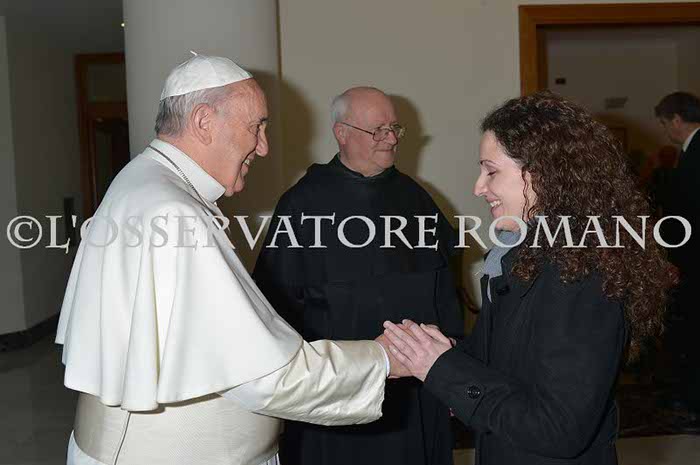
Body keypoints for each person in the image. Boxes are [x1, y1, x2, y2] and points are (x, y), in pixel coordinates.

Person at [55, 54, 407, 465]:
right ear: (204, 122)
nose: (264, 146)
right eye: (256, 127)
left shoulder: (140, 180)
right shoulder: (174, 211)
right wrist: (383, 358)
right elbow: (266, 377)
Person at [383, 92, 676, 465]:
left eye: (491, 171)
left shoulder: (582, 274)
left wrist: (443, 368)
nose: (478, 187)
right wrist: (440, 352)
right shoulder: (520, 256)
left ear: (542, 172)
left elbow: (557, 429)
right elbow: (507, 361)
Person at [253, 87, 463, 465]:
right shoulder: (302, 204)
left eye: (395, 129)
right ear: (342, 133)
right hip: (340, 397)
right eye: (378, 130)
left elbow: (446, 295)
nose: (391, 139)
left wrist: (454, 370)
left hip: (417, 395)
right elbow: (274, 312)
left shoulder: (417, 199)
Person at [654, 91, 700, 426]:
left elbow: (687, 213)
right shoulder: (691, 151)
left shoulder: (696, 152)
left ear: (676, 120)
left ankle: (693, 403)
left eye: (664, 122)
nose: (665, 130)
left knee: (692, 331)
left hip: (693, 260)